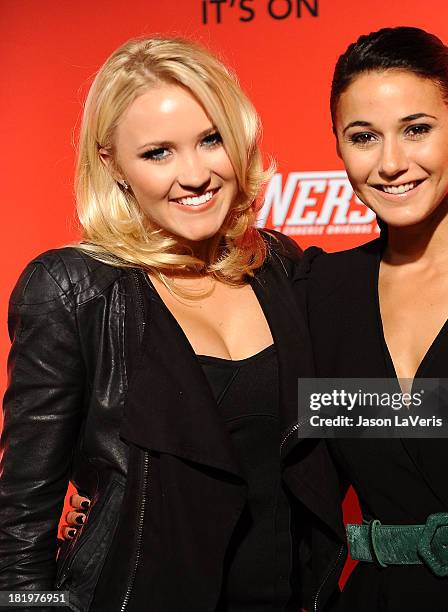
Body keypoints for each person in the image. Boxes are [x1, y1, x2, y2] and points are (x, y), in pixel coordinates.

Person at [0, 36, 345, 612]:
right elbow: (21, 520)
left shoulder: (277, 266)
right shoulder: (74, 289)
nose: (194, 174)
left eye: (211, 140)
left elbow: (359, 405)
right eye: (158, 153)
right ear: (113, 165)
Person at [292, 26, 448, 611]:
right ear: (338, 145)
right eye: (363, 137)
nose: (391, 163)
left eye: (416, 129)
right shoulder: (317, 291)